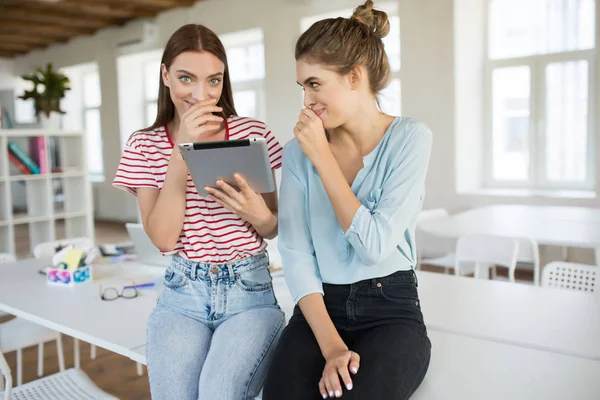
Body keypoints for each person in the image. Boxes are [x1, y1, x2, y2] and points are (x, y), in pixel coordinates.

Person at [263, 1, 432, 399]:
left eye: (315, 84)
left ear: (354, 77)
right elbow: (295, 251)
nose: (307, 100)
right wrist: (332, 346)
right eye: (303, 87)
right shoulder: (296, 152)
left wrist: (322, 158)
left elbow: (373, 246)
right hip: (320, 309)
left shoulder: (410, 139)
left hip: (390, 310)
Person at [113, 24, 285, 400]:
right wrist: (181, 153)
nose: (200, 94)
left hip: (249, 292)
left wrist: (257, 214)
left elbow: (272, 228)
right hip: (181, 294)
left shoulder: (253, 133)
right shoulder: (144, 145)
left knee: (218, 393)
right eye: (186, 78)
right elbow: (161, 238)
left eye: (214, 80)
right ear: (165, 76)